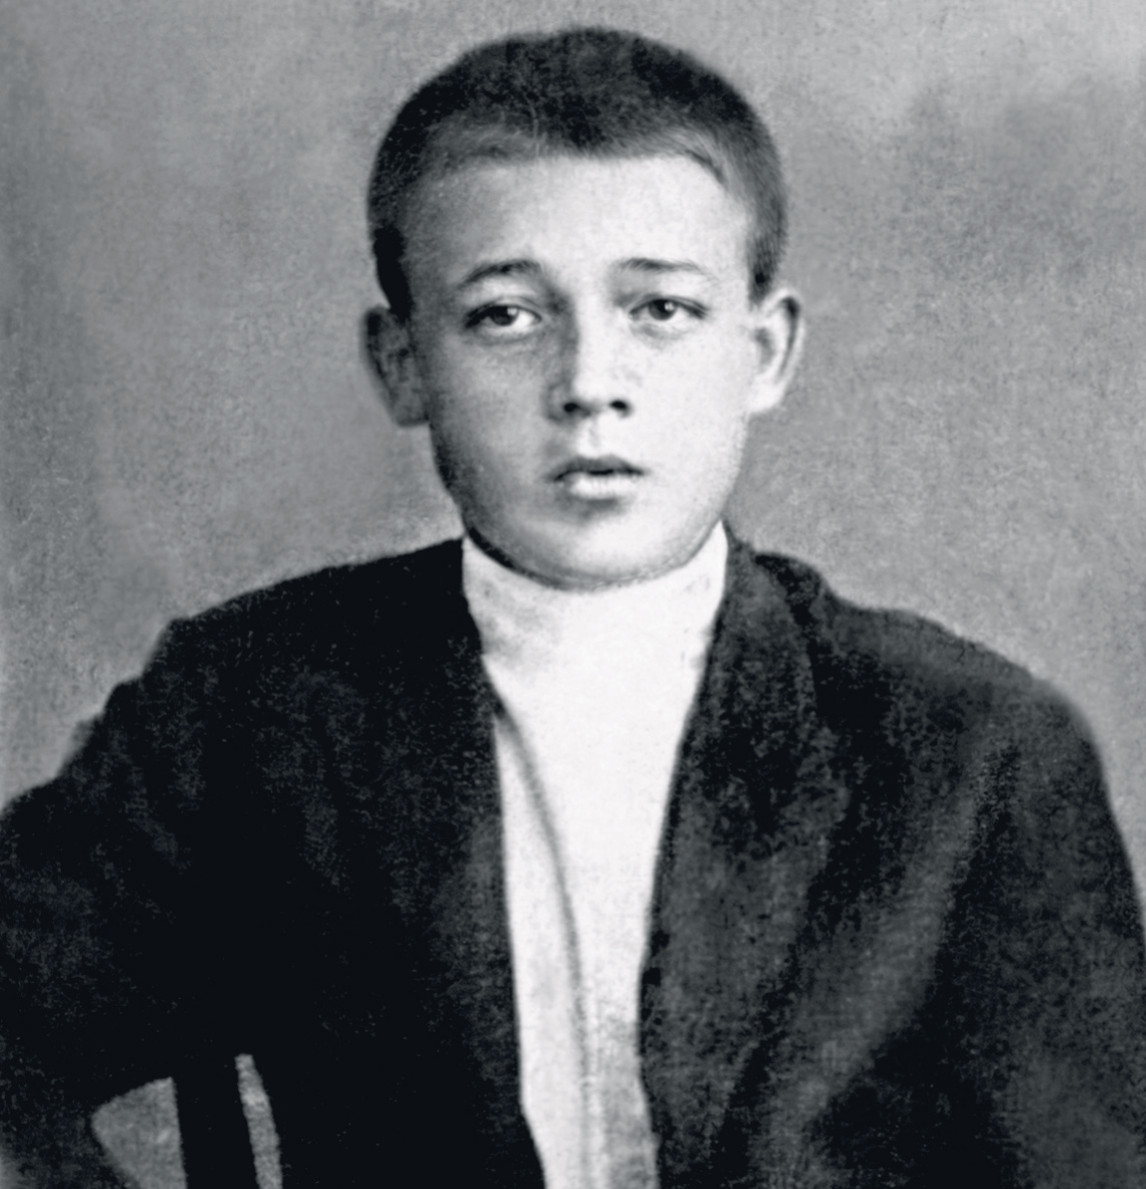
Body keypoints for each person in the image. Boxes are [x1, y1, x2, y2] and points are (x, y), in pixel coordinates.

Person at [1, 25, 1144, 1189]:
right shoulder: (257, 710)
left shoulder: (969, 753)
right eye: (506, 316)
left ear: (763, 353)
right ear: (404, 362)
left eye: (661, 310)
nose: (590, 385)